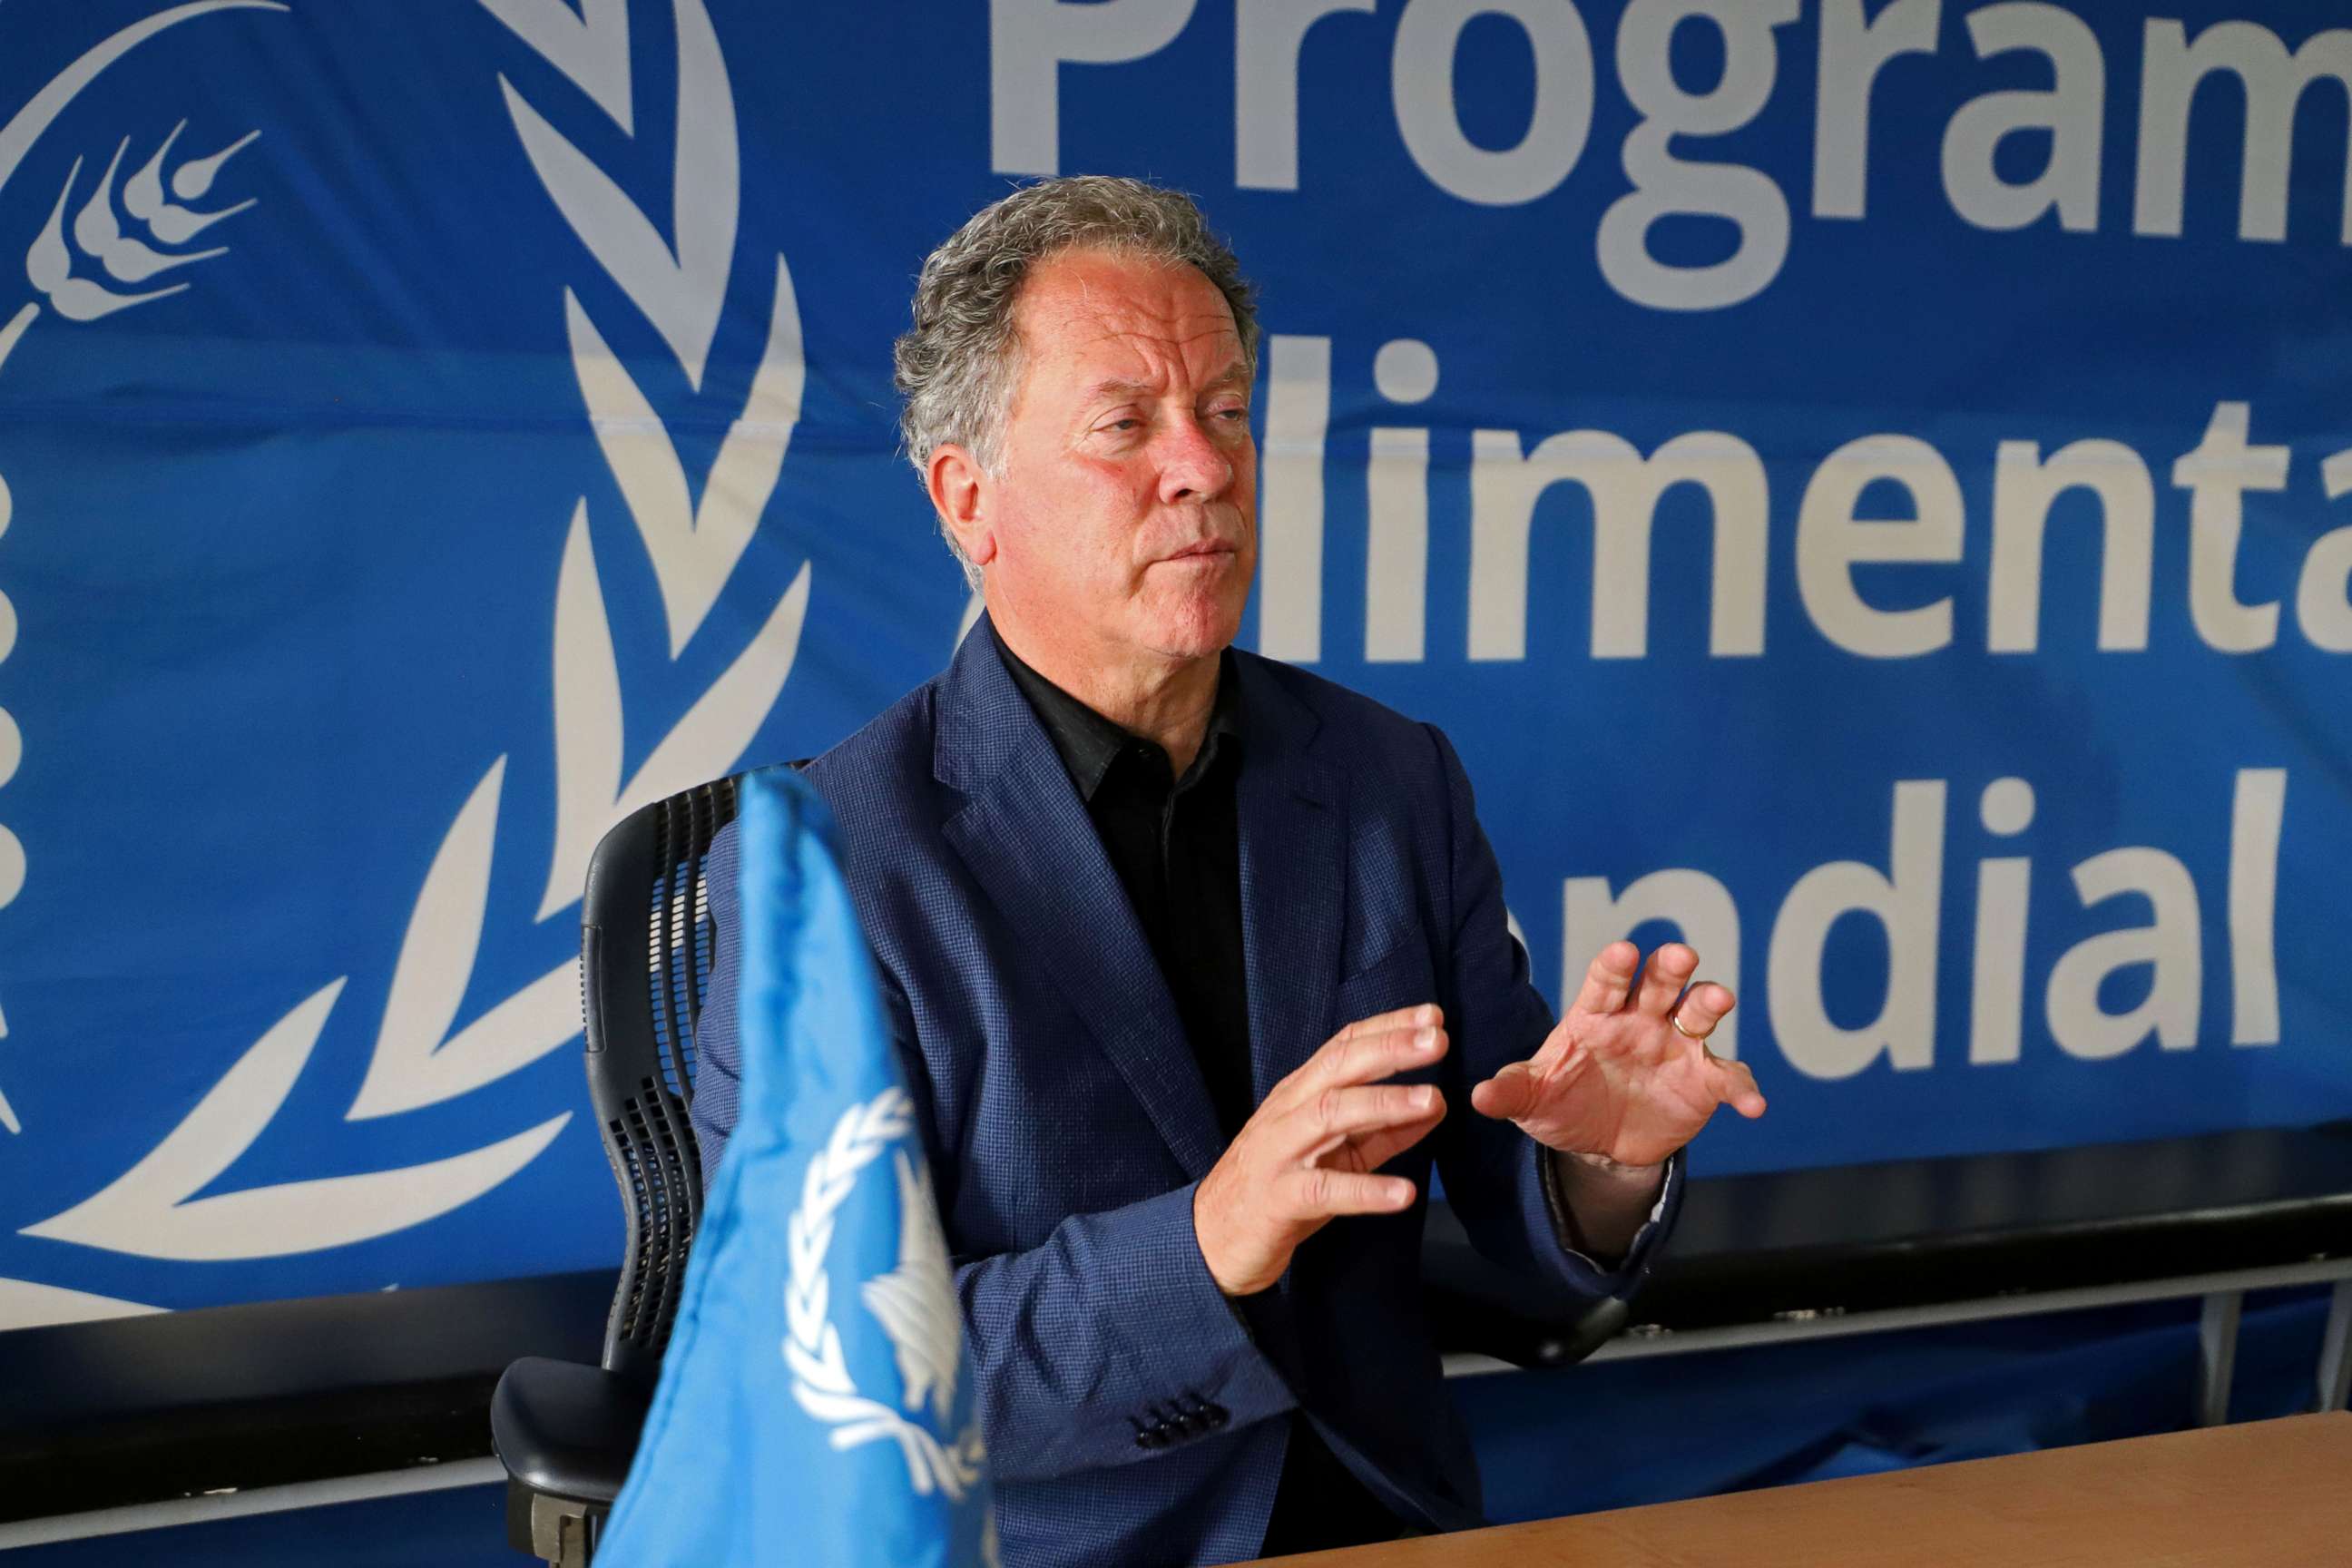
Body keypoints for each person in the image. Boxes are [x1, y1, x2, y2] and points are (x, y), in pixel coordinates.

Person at [689, 175, 1767, 1566]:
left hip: (1381, 1513)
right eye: (1125, 426)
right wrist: (1206, 1244)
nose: (1203, 467)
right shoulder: (826, 875)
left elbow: (1513, 1179)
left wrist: (1597, 1168)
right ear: (970, 501)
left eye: (1228, 413)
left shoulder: (1390, 781)